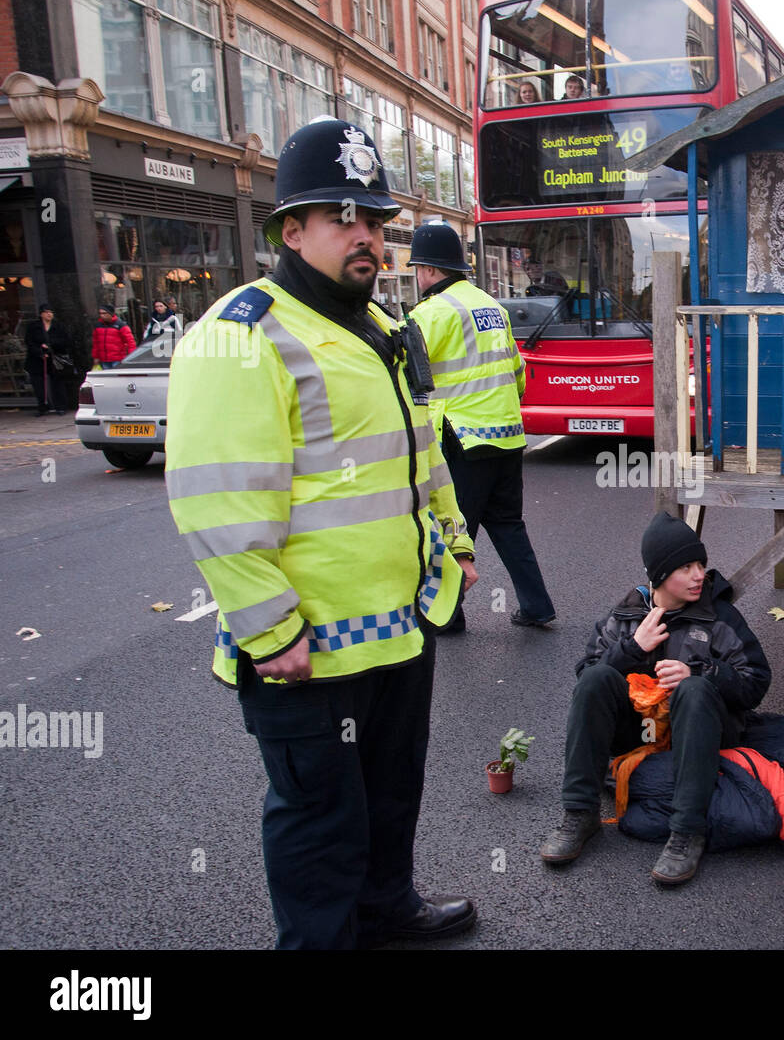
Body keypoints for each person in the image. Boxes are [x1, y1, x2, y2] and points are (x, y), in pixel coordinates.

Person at [164, 119, 478, 950]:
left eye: (375, 221)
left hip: (398, 628)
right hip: (307, 649)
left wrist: (456, 542)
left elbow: (421, 452)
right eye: (344, 218)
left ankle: (387, 907)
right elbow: (215, 499)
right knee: (318, 826)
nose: (366, 236)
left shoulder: (379, 327)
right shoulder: (244, 333)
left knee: (389, 795)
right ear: (290, 231)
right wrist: (270, 631)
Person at [540, 512, 771, 885]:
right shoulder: (626, 615)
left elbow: (756, 683)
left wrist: (702, 672)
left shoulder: (720, 617)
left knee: (693, 688)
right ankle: (580, 813)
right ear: (661, 575)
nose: (700, 575)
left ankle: (686, 832)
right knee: (598, 677)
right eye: (686, 567)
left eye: (701, 564)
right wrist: (631, 649)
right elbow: (586, 678)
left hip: (699, 733)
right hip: (640, 734)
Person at [406, 222, 555, 631]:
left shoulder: (429, 314)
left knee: (454, 529)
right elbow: (518, 372)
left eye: (417, 268)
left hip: (462, 440)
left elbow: (408, 379)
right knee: (509, 525)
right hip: (507, 435)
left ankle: (447, 617)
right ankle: (537, 605)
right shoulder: (492, 306)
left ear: (428, 269)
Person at [24, 303, 72, 415]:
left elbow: (66, 341)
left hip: (54, 359)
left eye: (51, 312)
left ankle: (61, 406)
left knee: (57, 384)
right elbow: (29, 342)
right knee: (39, 385)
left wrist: (50, 345)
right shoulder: (33, 327)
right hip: (37, 360)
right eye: (46, 312)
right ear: (41, 314)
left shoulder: (58, 326)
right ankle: (42, 406)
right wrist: (40, 351)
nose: (49, 314)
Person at [92, 304, 135, 369]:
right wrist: (96, 357)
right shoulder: (98, 326)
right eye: (100, 313)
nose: (102, 315)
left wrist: (131, 356)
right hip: (104, 359)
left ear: (110, 313)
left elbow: (130, 342)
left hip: (117, 359)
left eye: (104, 313)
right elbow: (96, 343)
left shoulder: (120, 325)